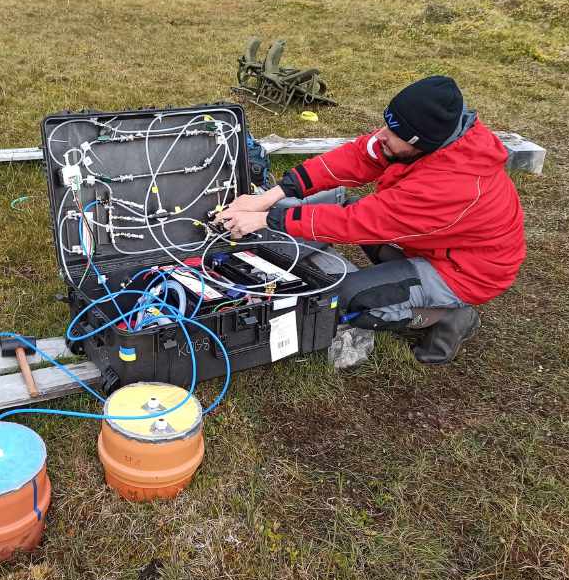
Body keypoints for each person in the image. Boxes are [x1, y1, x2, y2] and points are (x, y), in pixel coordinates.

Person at [216, 75, 526, 364]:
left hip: (465, 271)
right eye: (387, 126)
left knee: (351, 299)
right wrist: (270, 196)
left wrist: (267, 219)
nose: (381, 136)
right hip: (434, 243)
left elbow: (354, 223)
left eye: (394, 134)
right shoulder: (432, 139)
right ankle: (403, 275)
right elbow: (356, 157)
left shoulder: (452, 187)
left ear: (422, 143)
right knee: (356, 211)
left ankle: (450, 316)